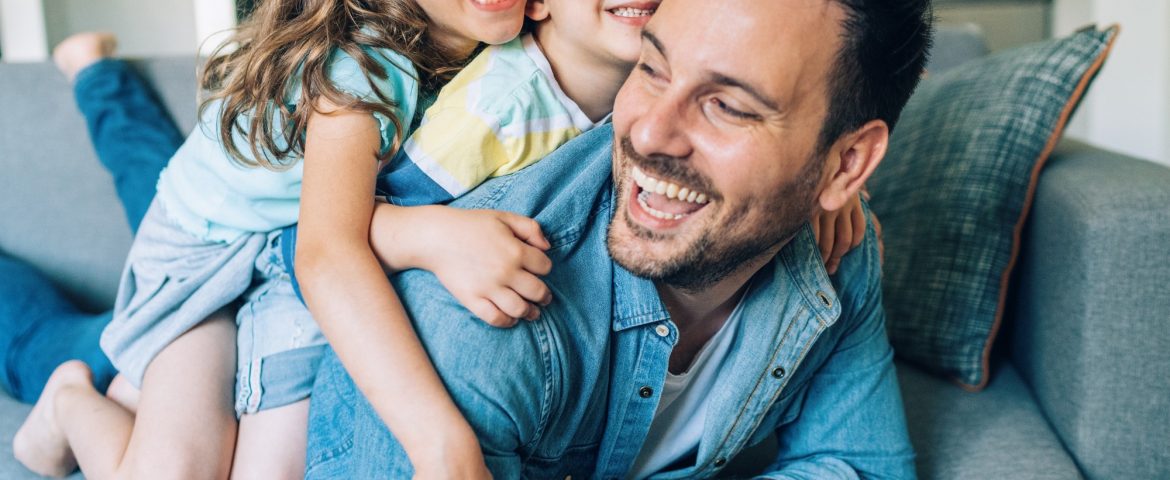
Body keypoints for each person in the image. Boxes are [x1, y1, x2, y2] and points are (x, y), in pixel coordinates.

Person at [302, 0, 932, 477]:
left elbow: (860, 466)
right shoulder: (478, 319)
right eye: (651, 68)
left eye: (728, 106)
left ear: (846, 165)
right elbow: (323, 246)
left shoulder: (836, 244)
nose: (648, 133)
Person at [12, 0, 531, 477]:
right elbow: (329, 251)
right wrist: (442, 443)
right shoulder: (367, 69)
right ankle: (67, 398)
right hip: (201, 256)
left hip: (266, 244)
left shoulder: (502, 56)